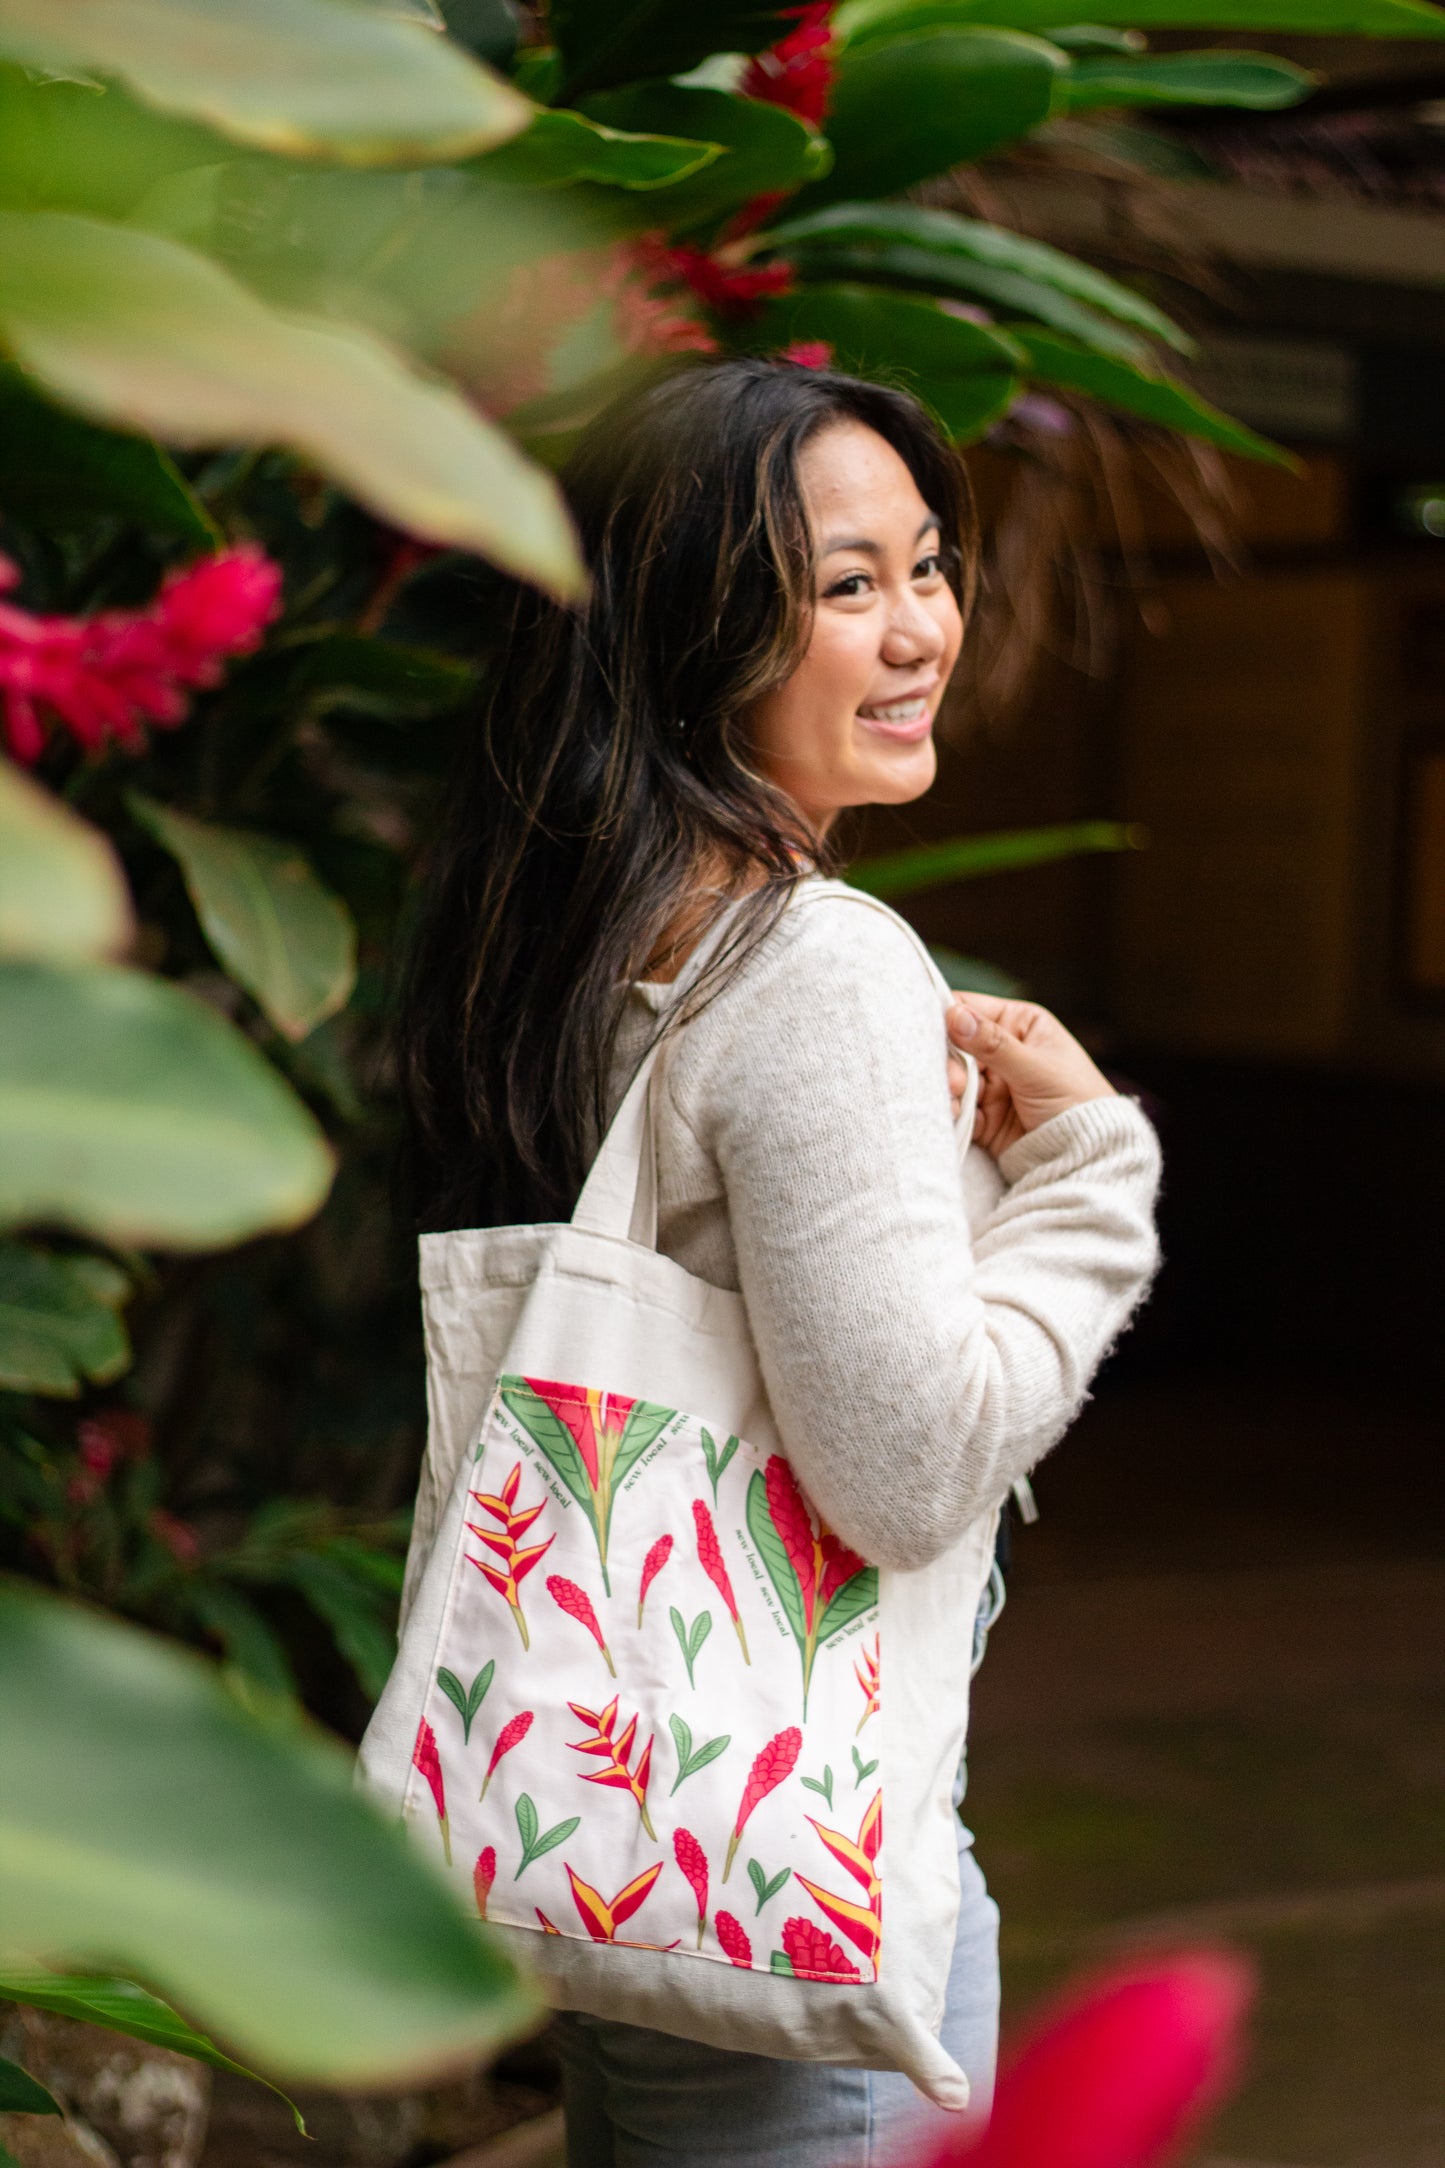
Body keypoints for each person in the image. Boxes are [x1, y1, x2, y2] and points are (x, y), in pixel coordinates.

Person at [399, 357, 1162, 2168]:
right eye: (842, 586)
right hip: (802, 1898)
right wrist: (1085, 1169)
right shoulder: (817, 964)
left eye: (925, 568)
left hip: (637, 1850)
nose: (918, 633)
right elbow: (905, 1469)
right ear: (694, 627)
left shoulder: (568, 931)